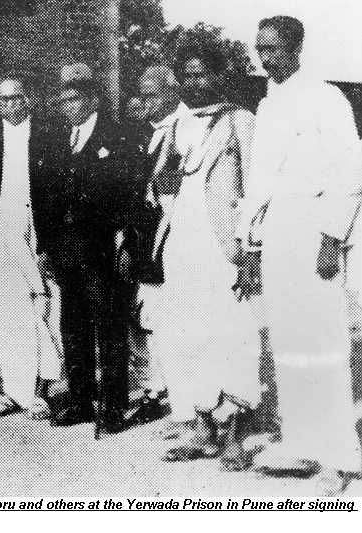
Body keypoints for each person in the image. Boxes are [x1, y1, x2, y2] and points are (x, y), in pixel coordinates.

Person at [241, 16, 362, 494]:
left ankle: (339, 457)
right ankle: (302, 442)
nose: (264, 58)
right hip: (278, 234)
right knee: (289, 340)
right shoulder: (268, 104)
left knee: (323, 342)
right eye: (260, 49)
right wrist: (250, 242)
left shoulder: (327, 99)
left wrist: (332, 237)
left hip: (315, 233)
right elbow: (259, 182)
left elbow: (351, 171)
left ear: (296, 48)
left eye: (272, 49)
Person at [146, 42, 261, 469]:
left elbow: (256, 192)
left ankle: (234, 431)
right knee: (185, 333)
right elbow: (158, 188)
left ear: (218, 75)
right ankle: (201, 426)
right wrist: (163, 184)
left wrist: (250, 252)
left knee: (230, 333)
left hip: (223, 246)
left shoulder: (240, 121)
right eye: (188, 75)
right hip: (181, 245)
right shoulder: (174, 126)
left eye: (202, 74)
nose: (195, 83)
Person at [30, 63, 142, 433]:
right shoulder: (58, 139)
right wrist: (45, 247)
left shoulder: (117, 136)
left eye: (74, 98)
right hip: (65, 250)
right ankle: (80, 400)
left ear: (92, 99)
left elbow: (130, 194)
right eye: (63, 100)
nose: (67, 106)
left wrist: (126, 240)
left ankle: (112, 406)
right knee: (72, 325)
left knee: (109, 325)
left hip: (102, 249)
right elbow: (43, 197)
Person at [0, 75, 62, 419]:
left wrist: (53, 239)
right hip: (0, 234)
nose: (11, 105)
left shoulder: (49, 134)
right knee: (8, 312)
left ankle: (42, 391)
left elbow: (61, 189)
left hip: (37, 233)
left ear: (28, 98)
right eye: (4, 100)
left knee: (43, 307)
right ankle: (14, 390)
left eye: (16, 98)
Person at [125, 64, 186, 428]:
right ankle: (154, 387)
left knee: (166, 317)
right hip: (143, 237)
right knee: (142, 315)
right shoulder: (146, 132)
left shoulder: (184, 128)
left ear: (172, 92)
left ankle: (177, 396)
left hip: (171, 237)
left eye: (152, 94)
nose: (144, 101)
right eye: (142, 94)